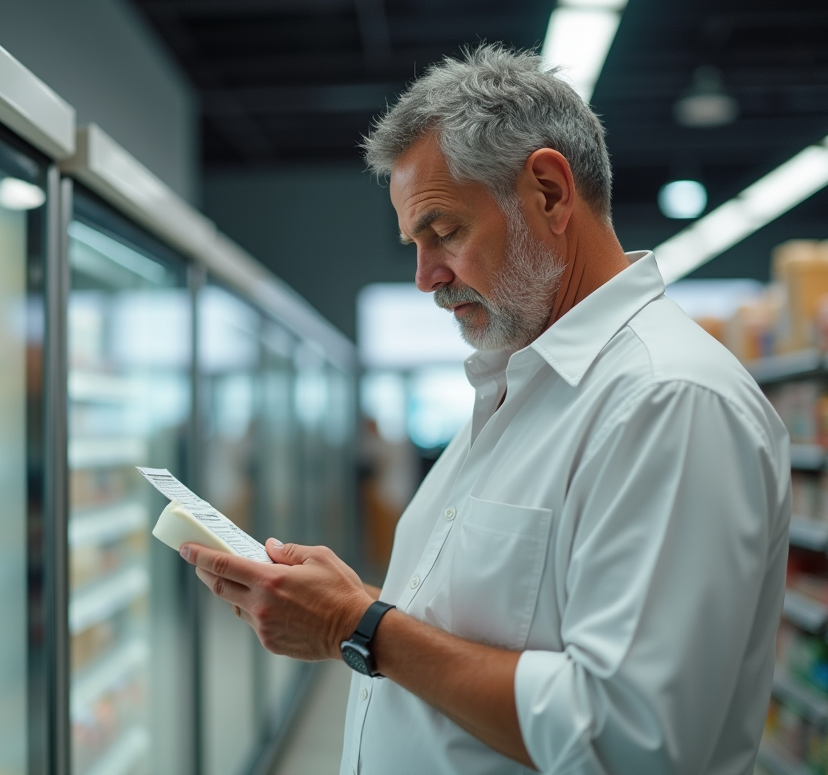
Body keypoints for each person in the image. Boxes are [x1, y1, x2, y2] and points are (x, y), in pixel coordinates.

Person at [181, 43, 790, 774]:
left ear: (550, 193)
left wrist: (359, 623)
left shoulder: (666, 401)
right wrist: (345, 601)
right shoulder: (522, 386)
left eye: (443, 232)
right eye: (415, 243)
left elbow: (632, 737)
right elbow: (498, 631)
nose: (424, 277)